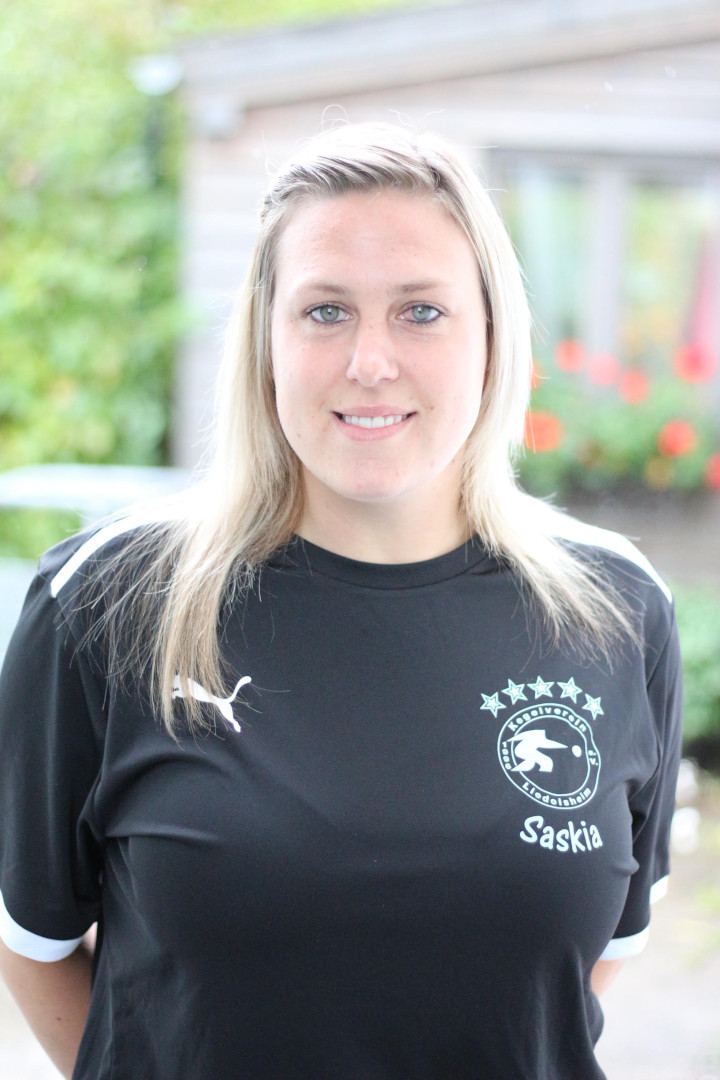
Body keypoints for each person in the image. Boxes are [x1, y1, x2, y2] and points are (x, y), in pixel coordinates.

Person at [0, 122, 682, 1080]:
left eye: (421, 311)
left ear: (493, 337)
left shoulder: (617, 611)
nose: (370, 360)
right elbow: (32, 946)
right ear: (266, 342)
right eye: (325, 311)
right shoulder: (109, 604)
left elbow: (582, 973)